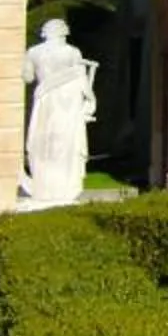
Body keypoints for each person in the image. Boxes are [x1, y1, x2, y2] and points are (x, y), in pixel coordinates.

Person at [19, 16, 99, 205]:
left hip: (46, 101)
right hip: (68, 102)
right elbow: (82, 81)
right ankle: (63, 187)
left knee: (42, 141)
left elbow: (28, 78)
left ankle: (46, 187)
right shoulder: (72, 52)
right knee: (66, 142)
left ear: (45, 33)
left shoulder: (33, 52)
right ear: (63, 33)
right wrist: (89, 100)